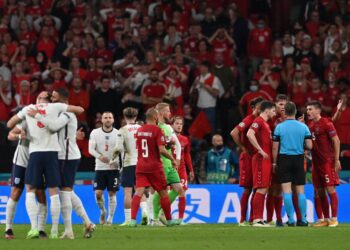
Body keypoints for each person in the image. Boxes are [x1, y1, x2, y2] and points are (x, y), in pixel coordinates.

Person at [7, 91, 84, 239]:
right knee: (49, 190)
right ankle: (17, 229)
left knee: (36, 190)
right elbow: (79, 110)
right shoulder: (55, 109)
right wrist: (19, 134)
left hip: (37, 154)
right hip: (31, 156)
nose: (40, 100)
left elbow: (9, 123)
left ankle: (39, 229)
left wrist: (28, 115)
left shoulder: (30, 109)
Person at [31, 88, 95, 238]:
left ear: (63, 99)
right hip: (62, 155)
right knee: (67, 191)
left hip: (67, 156)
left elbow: (52, 127)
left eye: (54, 97)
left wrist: (37, 115)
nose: (52, 99)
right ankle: (87, 222)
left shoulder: (67, 113)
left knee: (65, 192)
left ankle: (69, 231)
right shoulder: (60, 113)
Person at [129, 108, 176, 227]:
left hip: (141, 166)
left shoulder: (139, 130)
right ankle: (169, 220)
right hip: (154, 166)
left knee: (138, 193)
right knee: (164, 194)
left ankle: (133, 220)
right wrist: (172, 159)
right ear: (155, 117)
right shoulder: (157, 130)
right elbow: (161, 150)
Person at [272, 102, 312, 226]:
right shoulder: (303, 127)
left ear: (285, 112)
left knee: (287, 191)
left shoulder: (279, 127)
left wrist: (274, 162)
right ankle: (304, 220)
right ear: (295, 112)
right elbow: (310, 145)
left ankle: (290, 220)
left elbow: (275, 147)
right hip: (299, 159)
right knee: (300, 191)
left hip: (284, 159)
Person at [5, 122, 47, 239]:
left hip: (38, 162)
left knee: (40, 193)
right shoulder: (26, 120)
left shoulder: (48, 122)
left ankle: (41, 229)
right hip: (21, 161)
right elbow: (10, 135)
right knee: (16, 192)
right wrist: (19, 136)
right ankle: (8, 228)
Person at [306, 101, 340, 227]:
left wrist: (336, 160)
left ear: (318, 110)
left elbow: (336, 140)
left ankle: (334, 219)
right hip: (316, 164)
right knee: (319, 191)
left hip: (327, 162)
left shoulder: (326, 123)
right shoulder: (309, 126)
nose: (308, 111)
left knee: (330, 189)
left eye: (310, 109)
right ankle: (325, 219)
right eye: (307, 109)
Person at [231, 97, 263, 226]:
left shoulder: (261, 120)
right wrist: (243, 147)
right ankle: (242, 219)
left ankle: (253, 218)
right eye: (260, 106)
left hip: (257, 157)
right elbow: (234, 133)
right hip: (248, 157)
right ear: (254, 107)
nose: (262, 109)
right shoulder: (249, 119)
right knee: (248, 189)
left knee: (257, 188)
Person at [88, 111, 124, 226]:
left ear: (113, 120)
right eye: (105, 118)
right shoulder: (95, 132)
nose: (108, 119)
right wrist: (100, 157)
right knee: (98, 193)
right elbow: (91, 149)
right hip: (100, 167)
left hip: (114, 168)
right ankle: (103, 211)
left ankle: (110, 219)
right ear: (101, 120)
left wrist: (117, 163)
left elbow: (122, 151)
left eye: (110, 117)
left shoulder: (118, 133)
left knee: (112, 193)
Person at [114, 107, 148, 226]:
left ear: (124, 117)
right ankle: (145, 213)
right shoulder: (142, 128)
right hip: (142, 163)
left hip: (129, 163)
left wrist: (113, 156)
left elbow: (118, 149)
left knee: (128, 192)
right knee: (140, 190)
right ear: (135, 117)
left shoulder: (122, 130)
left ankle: (128, 220)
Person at [152, 102, 183, 226]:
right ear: (161, 113)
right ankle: (154, 219)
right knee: (160, 191)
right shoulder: (155, 127)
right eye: (168, 111)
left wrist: (178, 160)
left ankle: (160, 212)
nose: (170, 113)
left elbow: (177, 144)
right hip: (160, 164)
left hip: (170, 164)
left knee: (178, 189)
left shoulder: (168, 128)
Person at [247, 101, 276, 227]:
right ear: (267, 110)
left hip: (266, 160)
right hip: (260, 160)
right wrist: (260, 150)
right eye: (273, 110)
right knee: (261, 188)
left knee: (264, 188)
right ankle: (256, 219)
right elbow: (249, 134)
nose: (275, 112)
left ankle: (259, 218)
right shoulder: (258, 121)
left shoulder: (265, 123)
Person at [172, 116, 195, 224]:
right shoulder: (168, 138)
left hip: (181, 170)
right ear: (172, 125)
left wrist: (191, 170)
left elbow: (187, 155)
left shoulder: (185, 139)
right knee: (167, 193)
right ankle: (161, 214)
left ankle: (180, 219)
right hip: (170, 170)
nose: (179, 126)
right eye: (177, 123)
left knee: (182, 193)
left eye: (181, 124)